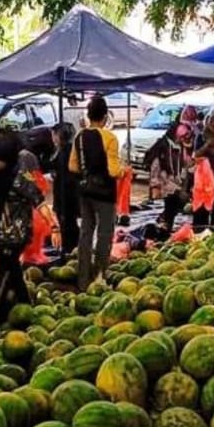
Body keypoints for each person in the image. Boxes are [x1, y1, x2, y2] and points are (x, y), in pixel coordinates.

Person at [0, 133, 61, 327]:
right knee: (13, 272)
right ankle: (26, 306)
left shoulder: (21, 178)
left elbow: (40, 203)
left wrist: (54, 225)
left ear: (7, 158)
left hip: (17, 235)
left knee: (4, 272)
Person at [69, 96, 125, 290]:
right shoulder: (109, 138)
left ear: (89, 115)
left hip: (85, 191)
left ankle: (82, 280)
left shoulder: (79, 137)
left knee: (86, 232)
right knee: (104, 233)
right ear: (104, 116)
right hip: (105, 193)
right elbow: (113, 171)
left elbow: (72, 166)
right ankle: (99, 276)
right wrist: (123, 170)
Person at [144, 123, 185, 236]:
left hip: (173, 182)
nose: (182, 139)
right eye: (181, 137)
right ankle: (163, 228)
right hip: (164, 182)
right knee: (172, 205)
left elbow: (181, 165)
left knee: (174, 206)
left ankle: (164, 226)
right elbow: (155, 166)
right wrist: (155, 185)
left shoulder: (178, 147)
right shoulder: (163, 146)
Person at [51, 123, 80, 256]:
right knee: (70, 223)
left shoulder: (65, 152)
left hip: (66, 195)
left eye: (53, 134)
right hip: (68, 194)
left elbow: (66, 177)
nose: (52, 138)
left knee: (68, 224)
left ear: (58, 136)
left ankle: (70, 250)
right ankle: (72, 249)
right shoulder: (68, 150)